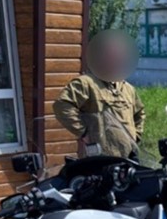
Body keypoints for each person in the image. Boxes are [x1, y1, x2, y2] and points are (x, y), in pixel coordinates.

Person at [53, 29, 145, 159]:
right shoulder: (86, 83)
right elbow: (62, 106)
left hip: (129, 156)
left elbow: (140, 113)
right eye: (111, 56)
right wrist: (83, 132)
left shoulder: (128, 88)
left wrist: (135, 137)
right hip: (100, 157)